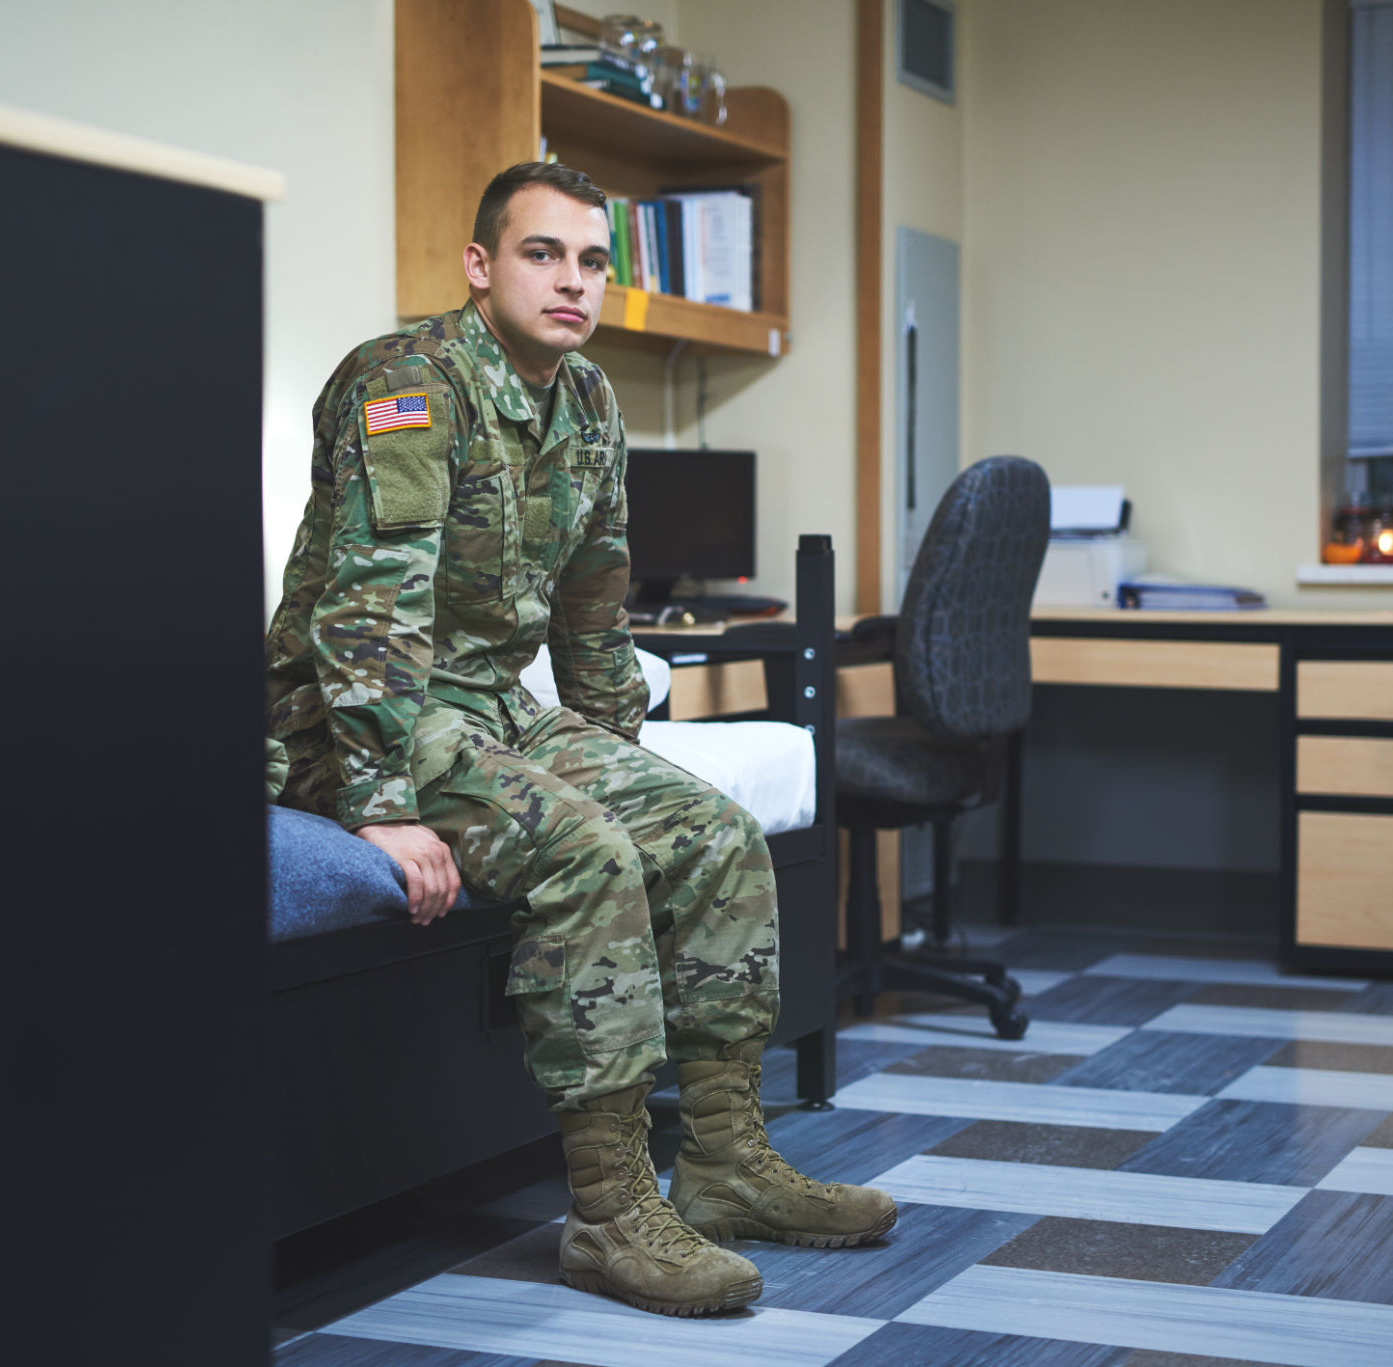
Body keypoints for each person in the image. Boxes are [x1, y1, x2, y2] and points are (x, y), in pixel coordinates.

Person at [264, 161, 895, 1316]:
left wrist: (622, 757)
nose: (569, 281)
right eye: (540, 254)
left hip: (489, 706)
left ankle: (720, 1164)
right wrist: (379, 800)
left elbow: (594, 614)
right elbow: (368, 614)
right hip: (354, 713)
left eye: (590, 261)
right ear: (479, 265)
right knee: (586, 847)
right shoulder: (406, 384)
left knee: (708, 831)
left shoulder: (588, 402)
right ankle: (608, 1217)